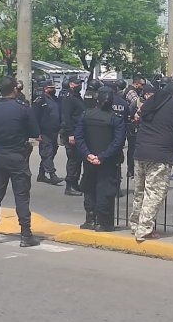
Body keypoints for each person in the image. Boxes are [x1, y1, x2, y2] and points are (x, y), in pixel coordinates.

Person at [130, 81, 173, 242]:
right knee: (154, 193)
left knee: (140, 191)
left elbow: (138, 115)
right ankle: (144, 229)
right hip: (160, 154)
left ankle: (135, 224)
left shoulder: (150, 102)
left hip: (141, 151)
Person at [0, 76, 41, 247]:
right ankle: (25, 234)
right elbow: (35, 132)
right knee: (21, 196)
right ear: (15, 89)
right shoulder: (23, 109)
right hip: (17, 157)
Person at [75, 86, 126, 231]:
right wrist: (102, 157)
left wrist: (88, 154)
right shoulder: (116, 118)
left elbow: (79, 137)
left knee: (89, 188)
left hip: (90, 160)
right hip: (107, 161)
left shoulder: (86, 114)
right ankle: (103, 223)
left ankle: (90, 219)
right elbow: (118, 142)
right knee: (105, 190)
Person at [32, 80, 64, 185]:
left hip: (54, 131)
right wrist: (37, 133)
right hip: (44, 132)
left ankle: (41, 174)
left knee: (52, 152)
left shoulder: (55, 99)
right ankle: (52, 175)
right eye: (51, 88)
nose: (53, 89)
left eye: (54, 87)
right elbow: (35, 117)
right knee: (47, 153)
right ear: (45, 88)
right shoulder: (40, 100)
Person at [59, 75, 85, 196]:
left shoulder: (77, 96)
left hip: (78, 132)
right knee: (73, 160)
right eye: (77, 83)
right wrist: (70, 134)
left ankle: (75, 183)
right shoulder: (68, 97)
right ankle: (69, 186)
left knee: (78, 160)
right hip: (72, 133)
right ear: (71, 84)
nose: (79, 85)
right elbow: (66, 118)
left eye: (80, 83)